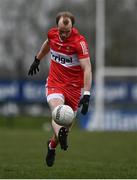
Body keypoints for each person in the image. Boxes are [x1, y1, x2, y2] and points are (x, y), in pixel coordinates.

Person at [28, 11, 92, 167]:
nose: (63, 35)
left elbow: (87, 68)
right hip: (55, 83)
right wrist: (37, 59)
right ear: (57, 27)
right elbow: (47, 44)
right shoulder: (52, 34)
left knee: (66, 123)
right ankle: (60, 135)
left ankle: (51, 146)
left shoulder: (79, 42)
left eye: (67, 32)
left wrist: (87, 94)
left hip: (74, 88)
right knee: (58, 111)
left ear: (72, 27)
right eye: (61, 31)